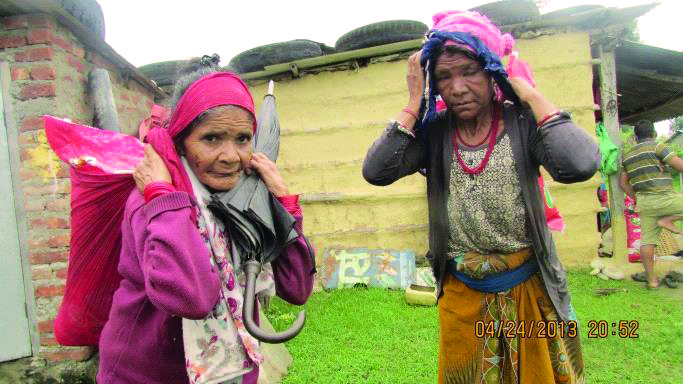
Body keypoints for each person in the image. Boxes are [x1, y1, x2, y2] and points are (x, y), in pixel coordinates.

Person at [363, 10, 598, 383]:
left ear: (492, 71)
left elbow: (580, 163)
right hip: (463, 296)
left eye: (470, 71)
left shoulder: (521, 124)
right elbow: (377, 171)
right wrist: (413, 103)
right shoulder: (435, 132)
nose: (456, 88)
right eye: (443, 76)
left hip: (530, 292)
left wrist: (528, 93)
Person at [97, 68, 315, 384]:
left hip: (233, 368)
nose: (230, 156)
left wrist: (284, 204)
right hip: (147, 373)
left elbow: (297, 286)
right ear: (182, 140)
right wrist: (163, 197)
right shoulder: (152, 200)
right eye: (211, 138)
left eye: (242, 139)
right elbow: (193, 299)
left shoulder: (247, 194)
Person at [619, 120, 683, 289]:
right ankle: (668, 220)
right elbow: (680, 166)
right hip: (665, 198)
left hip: (645, 203)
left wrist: (637, 198)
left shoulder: (627, 155)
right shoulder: (658, 147)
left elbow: (623, 184)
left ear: (635, 137)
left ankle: (652, 281)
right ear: (653, 134)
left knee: (647, 241)